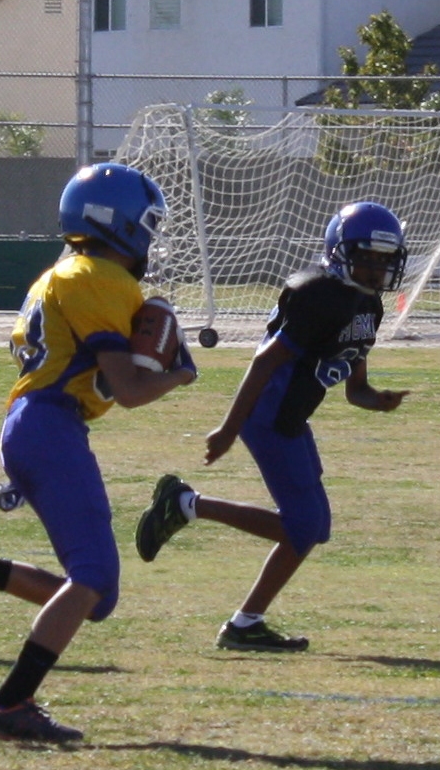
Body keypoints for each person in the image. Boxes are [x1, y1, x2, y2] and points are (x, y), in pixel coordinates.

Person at [0, 162, 196, 745]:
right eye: (146, 225)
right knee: (93, 577)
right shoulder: (101, 279)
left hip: (41, 424)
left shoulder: (62, 274)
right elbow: (129, 392)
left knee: (97, 596)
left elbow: (92, 378)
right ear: (117, 223)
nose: (151, 239)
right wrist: (179, 375)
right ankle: (7, 706)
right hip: (50, 426)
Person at [133, 200, 409, 651]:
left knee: (314, 528)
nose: (376, 269)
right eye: (367, 257)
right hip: (266, 415)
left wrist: (377, 400)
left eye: (384, 260)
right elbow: (264, 362)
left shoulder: (367, 306)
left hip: (290, 417)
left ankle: (245, 622)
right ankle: (186, 506)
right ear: (341, 252)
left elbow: (354, 386)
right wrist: (228, 428)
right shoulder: (317, 295)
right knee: (304, 527)